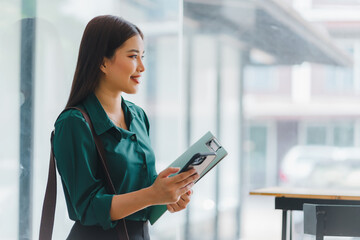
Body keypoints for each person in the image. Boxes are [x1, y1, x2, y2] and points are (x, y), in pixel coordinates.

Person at [52, 15, 199, 240]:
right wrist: (152, 195)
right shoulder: (74, 122)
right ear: (103, 62)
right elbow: (87, 208)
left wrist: (167, 196)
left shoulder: (138, 116)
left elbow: (143, 191)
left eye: (142, 56)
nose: (142, 66)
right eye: (132, 56)